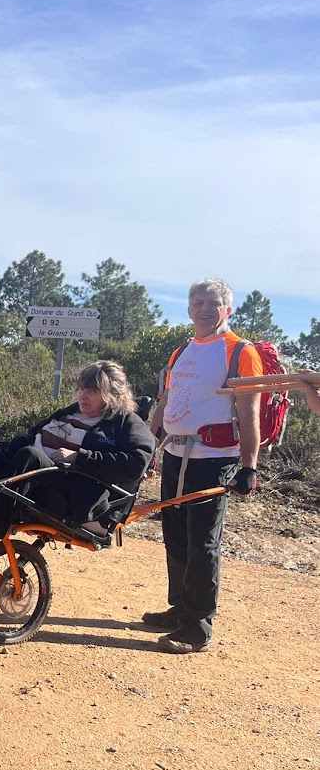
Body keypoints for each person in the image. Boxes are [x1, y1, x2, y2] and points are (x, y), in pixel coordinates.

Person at [147, 278, 261, 654]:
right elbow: (166, 401)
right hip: (175, 455)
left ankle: (197, 627)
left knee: (203, 542)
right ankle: (180, 609)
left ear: (227, 309)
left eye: (213, 303)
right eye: (198, 302)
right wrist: (149, 446)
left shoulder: (240, 351)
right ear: (189, 309)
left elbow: (249, 411)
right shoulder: (181, 352)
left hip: (213, 459)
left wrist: (249, 466)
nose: (204, 309)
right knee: (176, 535)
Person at [0, 361, 154, 550]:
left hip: (70, 488)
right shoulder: (70, 412)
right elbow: (30, 436)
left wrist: (80, 456)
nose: (83, 396)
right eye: (81, 389)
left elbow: (137, 464)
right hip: (29, 471)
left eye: (92, 391)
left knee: (30, 455)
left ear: (113, 394)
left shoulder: (126, 422)